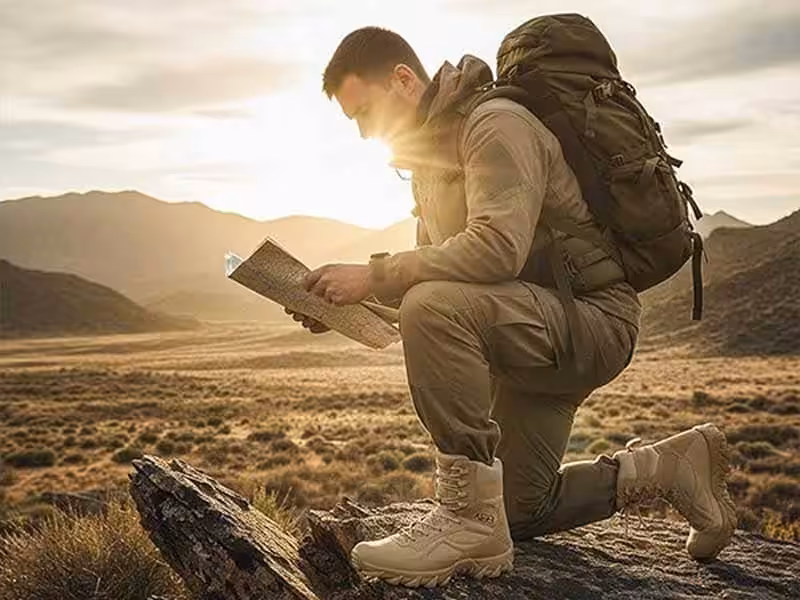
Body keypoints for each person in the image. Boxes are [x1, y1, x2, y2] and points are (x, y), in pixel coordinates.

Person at [286, 26, 736, 587]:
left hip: (593, 320)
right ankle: (670, 466)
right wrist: (348, 310)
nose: (363, 132)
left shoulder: (495, 123)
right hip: (534, 335)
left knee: (432, 307)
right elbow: (452, 294)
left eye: (364, 112)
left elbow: (495, 251)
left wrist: (374, 275)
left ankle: (465, 519)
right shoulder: (432, 164)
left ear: (403, 79)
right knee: (521, 511)